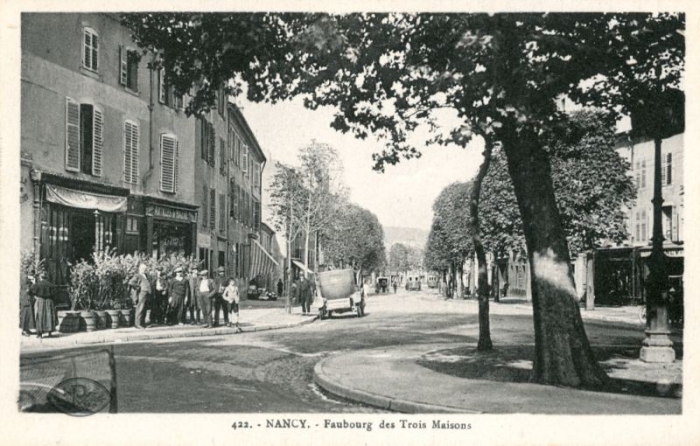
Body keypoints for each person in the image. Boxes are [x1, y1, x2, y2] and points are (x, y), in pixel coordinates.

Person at [29, 271, 57, 338]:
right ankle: (50, 332)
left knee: (39, 316)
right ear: (46, 277)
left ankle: (40, 334)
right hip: (49, 301)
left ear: (40, 277)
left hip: (40, 300)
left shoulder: (37, 284)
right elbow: (55, 293)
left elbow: (30, 291)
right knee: (49, 316)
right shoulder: (51, 284)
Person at [128, 263, 152, 329]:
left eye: (145, 269)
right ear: (139, 269)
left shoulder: (145, 275)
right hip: (142, 293)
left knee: (144, 308)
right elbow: (131, 282)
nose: (144, 270)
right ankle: (137, 324)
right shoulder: (137, 275)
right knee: (140, 308)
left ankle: (142, 323)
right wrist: (138, 287)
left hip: (147, 294)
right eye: (142, 269)